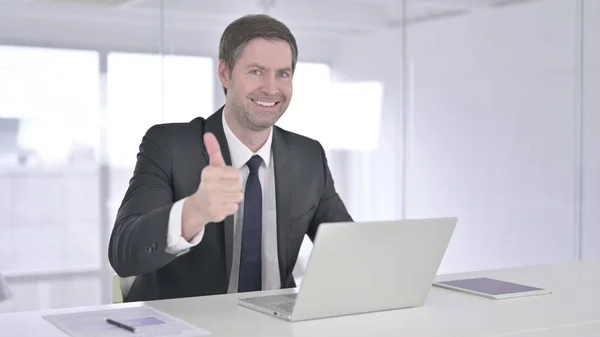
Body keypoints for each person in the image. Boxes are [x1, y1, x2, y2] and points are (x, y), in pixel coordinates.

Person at [108, 13, 353, 302]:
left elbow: (346, 248)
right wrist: (194, 212)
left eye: (283, 74)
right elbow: (123, 254)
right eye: (256, 72)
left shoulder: (308, 156)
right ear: (225, 74)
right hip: (190, 324)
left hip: (277, 324)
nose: (272, 88)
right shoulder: (170, 146)